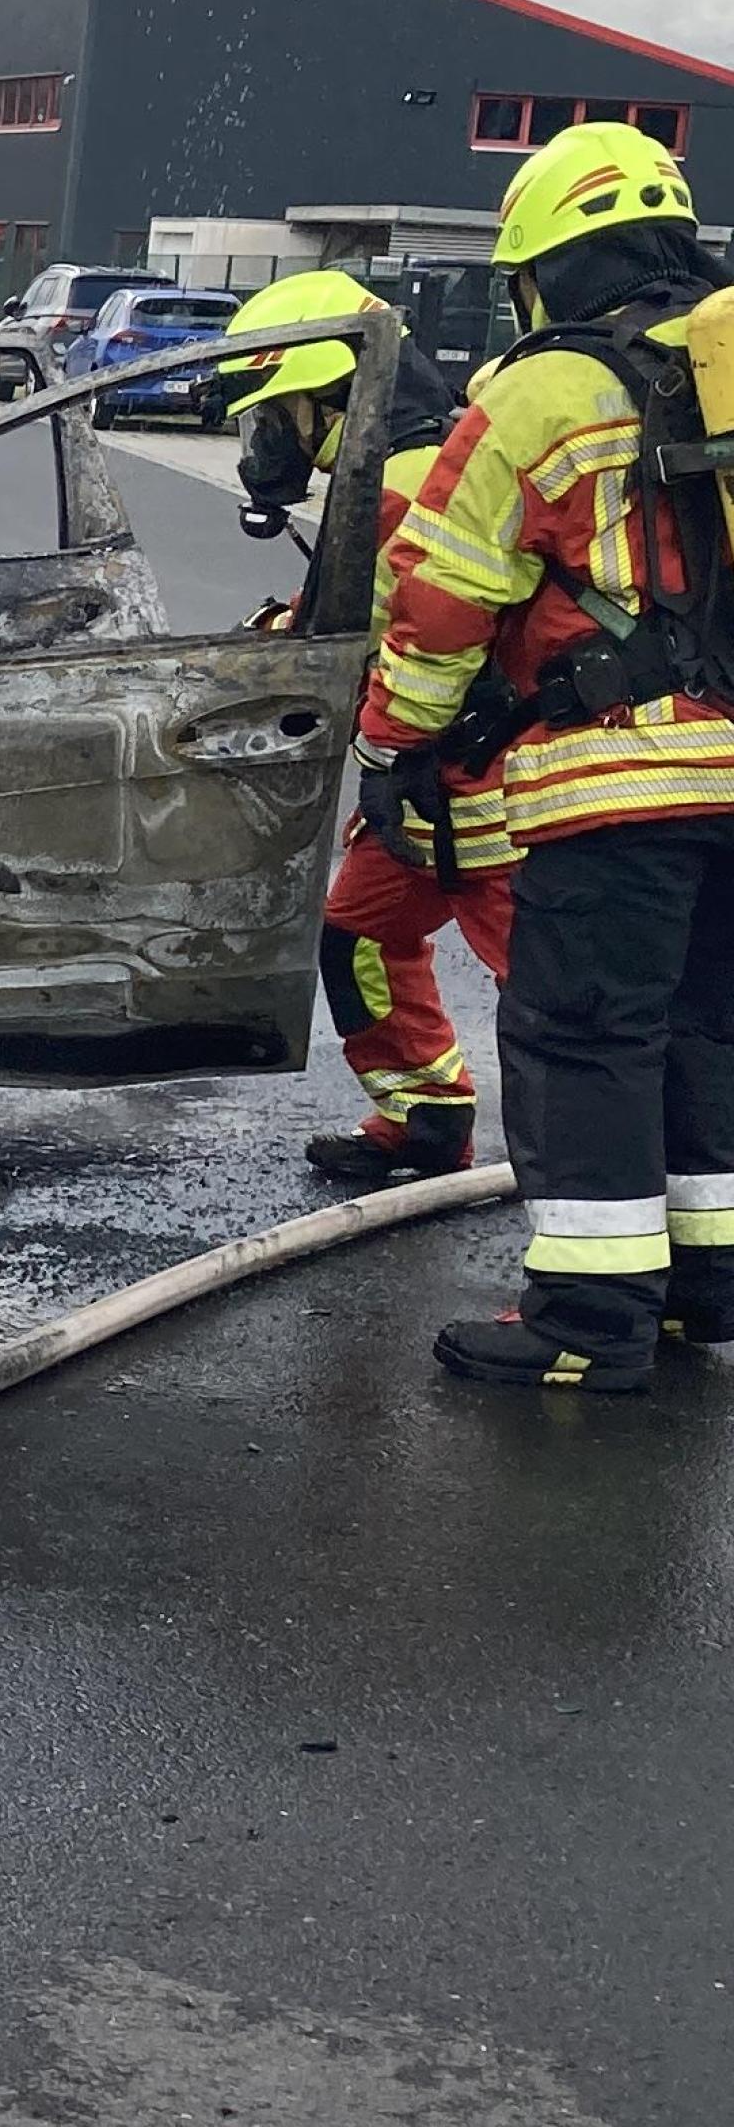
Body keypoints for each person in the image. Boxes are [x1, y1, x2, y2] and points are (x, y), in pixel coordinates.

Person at [355, 119, 734, 1388]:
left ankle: (590, 1321)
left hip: (615, 783)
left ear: (551, 263)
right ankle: (705, 1290)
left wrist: (395, 745)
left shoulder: (543, 390)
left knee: (583, 1036)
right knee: (704, 1032)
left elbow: (443, 595)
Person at [223, 273, 517, 1182]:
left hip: (499, 794)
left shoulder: (400, 487)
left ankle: (618, 1205)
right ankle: (424, 1115)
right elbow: (352, 619)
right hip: (427, 791)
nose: (266, 440)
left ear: (326, 397)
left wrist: (260, 654)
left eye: (276, 415)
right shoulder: (389, 473)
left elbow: (354, 640)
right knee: (356, 932)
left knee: (562, 1007)